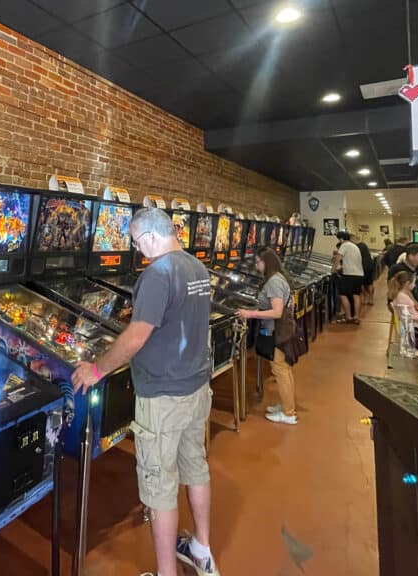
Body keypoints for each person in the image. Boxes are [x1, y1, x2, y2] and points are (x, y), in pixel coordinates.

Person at [71, 207, 218, 576]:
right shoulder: (195, 267)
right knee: (196, 466)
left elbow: (137, 335)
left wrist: (96, 369)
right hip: (197, 386)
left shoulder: (158, 273)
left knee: (159, 487)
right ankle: (202, 549)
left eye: (137, 242)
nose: (138, 250)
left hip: (163, 395)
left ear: (151, 236)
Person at [237, 247, 297, 425]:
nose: (256, 266)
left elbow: (277, 312)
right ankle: (287, 406)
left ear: (266, 262)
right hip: (277, 329)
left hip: (277, 330)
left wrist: (251, 314)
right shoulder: (277, 278)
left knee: (280, 369)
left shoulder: (274, 282)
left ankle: (288, 413)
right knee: (283, 368)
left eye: (258, 262)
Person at [335, 231, 363, 324]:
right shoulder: (354, 246)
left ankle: (348, 316)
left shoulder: (344, 245)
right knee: (356, 295)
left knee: (343, 294)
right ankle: (357, 317)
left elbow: (338, 258)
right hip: (359, 274)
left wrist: (333, 270)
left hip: (349, 274)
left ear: (341, 239)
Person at [354, 235, 375, 306]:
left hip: (362, 267)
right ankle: (371, 299)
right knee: (370, 283)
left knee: (361, 283)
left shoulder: (356, 247)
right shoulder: (364, 245)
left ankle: (365, 296)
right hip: (370, 266)